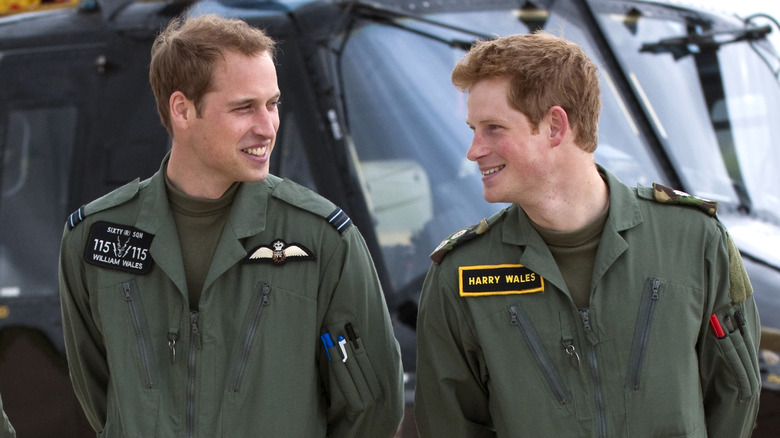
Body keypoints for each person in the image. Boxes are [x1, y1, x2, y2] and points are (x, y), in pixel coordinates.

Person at [58, 14, 403, 437]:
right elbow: (105, 400)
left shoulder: (323, 239)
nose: (268, 126)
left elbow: (373, 407)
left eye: (273, 104)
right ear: (183, 110)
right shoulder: (92, 239)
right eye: (244, 108)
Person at [414, 32, 760, 437]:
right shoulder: (460, 274)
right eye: (474, 128)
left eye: (493, 128)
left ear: (555, 126)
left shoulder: (695, 241)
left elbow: (737, 392)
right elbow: (450, 426)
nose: (473, 150)